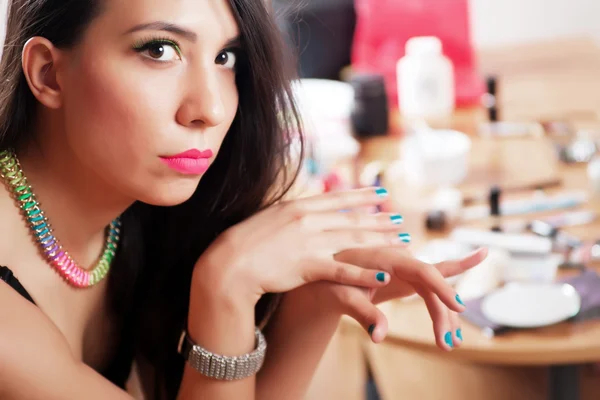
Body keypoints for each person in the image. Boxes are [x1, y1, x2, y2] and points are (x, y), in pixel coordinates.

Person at [0, 0, 487, 399]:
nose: (210, 108)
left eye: (225, 58)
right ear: (49, 74)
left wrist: (318, 296)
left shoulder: (139, 210)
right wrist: (226, 287)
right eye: (159, 50)